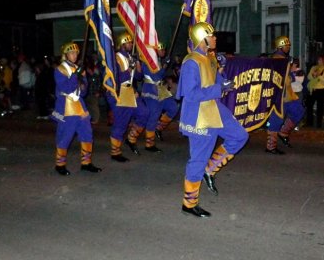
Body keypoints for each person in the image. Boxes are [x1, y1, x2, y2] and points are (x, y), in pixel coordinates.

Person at [176, 21, 249, 218]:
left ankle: (211, 169)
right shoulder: (191, 62)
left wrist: (225, 83)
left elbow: (215, 81)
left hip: (214, 108)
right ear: (202, 38)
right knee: (197, 160)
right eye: (212, 35)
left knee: (239, 136)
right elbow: (191, 94)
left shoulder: (209, 58)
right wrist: (219, 88)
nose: (215, 37)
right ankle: (189, 203)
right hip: (199, 115)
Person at [51, 42, 102, 175]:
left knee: (87, 133)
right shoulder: (60, 69)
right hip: (66, 106)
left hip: (79, 105)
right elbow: (66, 88)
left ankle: (86, 163)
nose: (74, 55)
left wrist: (82, 81)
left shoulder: (79, 69)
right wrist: (76, 76)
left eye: (76, 53)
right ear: (66, 54)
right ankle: (60, 164)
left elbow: (83, 91)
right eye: (71, 53)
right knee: (65, 136)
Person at [106, 31, 149, 162]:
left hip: (130, 91)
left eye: (131, 42)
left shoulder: (130, 57)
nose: (130, 44)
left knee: (144, 113)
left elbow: (138, 77)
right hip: (117, 93)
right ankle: (115, 152)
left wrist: (138, 66)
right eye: (128, 42)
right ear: (121, 44)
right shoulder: (114, 58)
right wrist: (129, 70)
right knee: (121, 122)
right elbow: (115, 78)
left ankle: (131, 139)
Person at [129, 41, 178, 150]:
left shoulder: (158, 60)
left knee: (173, 107)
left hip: (161, 89)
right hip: (151, 90)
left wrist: (165, 65)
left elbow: (162, 75)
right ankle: (148, 144)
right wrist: (165, 65)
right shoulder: (149, 61)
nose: (164, 52)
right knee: (153, 116)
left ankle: (159, 128)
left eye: (164, 49)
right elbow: (152, 75)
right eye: (161, 50)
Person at [266, 36, 305, 153]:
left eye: (289, 46)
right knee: (276, 119)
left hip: (288, 94)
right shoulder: (277, 59)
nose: (288, 48)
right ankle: (270, 146)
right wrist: (292, 76)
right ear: (280, 47)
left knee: (298, 111)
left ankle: (283, 133)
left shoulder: (285, 58)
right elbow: (282, 78)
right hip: (279, 95)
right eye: (286, 46)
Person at [305, 55, 324, 129]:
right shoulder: (314, 67)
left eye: (320, 60)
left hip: (322, 90)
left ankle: (319, 124)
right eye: (318, 60)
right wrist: (314, 75)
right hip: (313, 89)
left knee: (320, 107)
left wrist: (318, 76)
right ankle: (309, 122)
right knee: (309, 105)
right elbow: (309, 77)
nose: (318, 61)